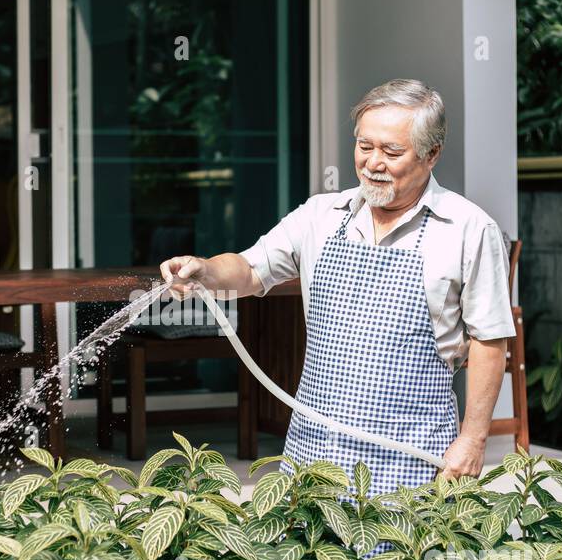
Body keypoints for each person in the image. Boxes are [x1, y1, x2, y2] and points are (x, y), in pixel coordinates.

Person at [160, 78, 516, 504]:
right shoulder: (320, 215)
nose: (373, 163)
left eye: (392, 151)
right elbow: (251, 269)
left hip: (410, 454)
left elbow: (489, 339)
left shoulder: (468, 229)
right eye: (365, 146)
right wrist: (205, 269)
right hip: (313, 452)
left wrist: (473, 440)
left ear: (432, 153)